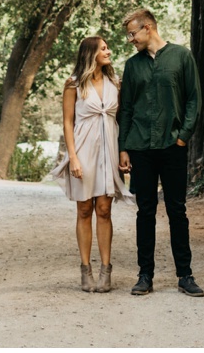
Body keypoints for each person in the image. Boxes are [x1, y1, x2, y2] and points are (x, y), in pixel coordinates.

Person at [116, 6, 204, 297]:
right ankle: (145, 275)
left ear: (148, 28)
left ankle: (185, 275)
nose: (130, 39)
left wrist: (183, 137)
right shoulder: (132, 66)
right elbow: (126, 108)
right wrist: (124, 148)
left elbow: (193, 98)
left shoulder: (182, 56)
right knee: (146, 212)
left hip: (172, 146)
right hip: (140, 147)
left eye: (132, 33)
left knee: (177, 210)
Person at [51, 36, 124, 293]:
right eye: (104, 48)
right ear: (91, 53)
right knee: (84, 210)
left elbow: (123, 120)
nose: (109, 51)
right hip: (83, 150)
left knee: (104, 210)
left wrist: (125, 154)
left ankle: (106, 269)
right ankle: (86, 269)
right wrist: (73, 157)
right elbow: (67, 123)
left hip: (109, 150)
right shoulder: (73, 84)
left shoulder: (115, 82)